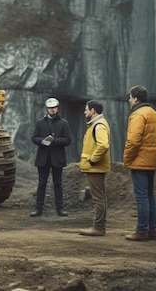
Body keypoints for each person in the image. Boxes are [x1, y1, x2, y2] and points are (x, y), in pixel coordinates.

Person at [123, 85, 156, 241]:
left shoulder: (138, 115)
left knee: (141, 197)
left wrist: (127, 159)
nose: (129, 101)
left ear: (136, 99)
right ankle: (152, 230)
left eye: (130, 98)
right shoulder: (154, 114)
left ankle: (141, 230)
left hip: (140, 161)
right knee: (150, 194)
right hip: (152, 160)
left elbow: (133, 141)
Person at [30, 97, 72, 217]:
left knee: (58, 184)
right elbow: (34, 137)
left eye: (54, 108)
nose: (52, 110)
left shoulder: (63, 123)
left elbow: (68, 140)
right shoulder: (40, 123)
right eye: (50, 108)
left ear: (57, 108)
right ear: (47, 109)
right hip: (43, 158)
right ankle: (38, 209)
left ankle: (60, 209)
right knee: (41, 184)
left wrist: (54, 141)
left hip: (57, 158)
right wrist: (43, 141)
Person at [78, 100, 111, 236]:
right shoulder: (96, 124)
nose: (85, 112)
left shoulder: (98, 125)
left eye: (87, 109)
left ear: (93, 111)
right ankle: (99, 226)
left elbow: (103, 145)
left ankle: (98, 227)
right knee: (99, 196)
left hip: (95, 167)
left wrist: (92, 160)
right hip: (95, 167)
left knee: (98, 198)